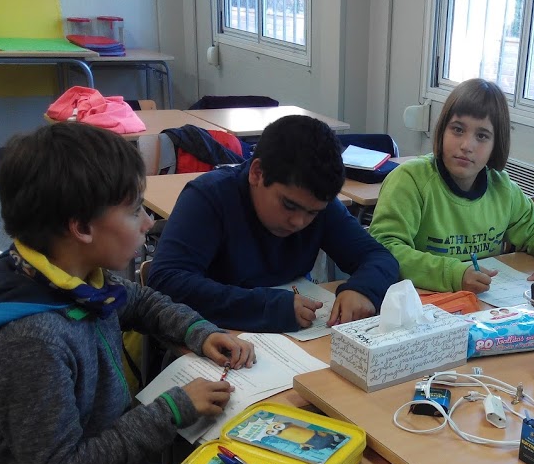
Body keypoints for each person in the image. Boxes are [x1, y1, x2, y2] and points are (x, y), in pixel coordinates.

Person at [0, 122, 256, 464]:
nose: (147, 224)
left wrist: (198, 330)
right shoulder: (30, 341)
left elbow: (139, 301)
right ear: (82, 228)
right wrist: (171, 410)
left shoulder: (66, 275)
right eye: (135, 210)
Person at [147, 115, 399, 332]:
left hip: (290, 340)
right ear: (257, 173)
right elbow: (166, 281)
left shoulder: (316, 203)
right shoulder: (209, 197)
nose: (298, 221)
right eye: (288, 205)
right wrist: (267, 306)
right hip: (214, 335)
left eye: (312, 213)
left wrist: (362, 290)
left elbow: (379, 257)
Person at [368, 78, 534, 294]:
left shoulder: (502, 189)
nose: (467, 145)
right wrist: (453, 274)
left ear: (496, 144)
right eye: (458, 130)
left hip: (482, 302)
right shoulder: (410, 180)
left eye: (482, 136)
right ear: (442, 131)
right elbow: (386, 248)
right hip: (421, 301)